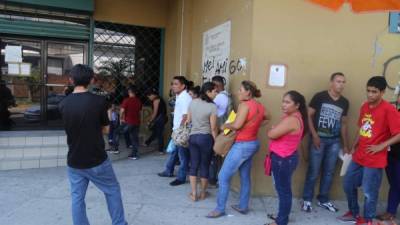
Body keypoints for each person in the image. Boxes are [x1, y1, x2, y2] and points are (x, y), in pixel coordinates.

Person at [58, 64, 127, 225]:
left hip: (74, 161)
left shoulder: (63, 104)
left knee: (77, 199)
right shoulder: (99, 101)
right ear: (91, 80)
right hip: (97, 160)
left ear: (71, 80)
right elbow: (106, 129)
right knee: (112, 191)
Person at [338, 76, 400, 224]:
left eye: (374, 92)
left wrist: (381, 146)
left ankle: (367, 219)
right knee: (348, 183)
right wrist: (353, 147)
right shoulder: (365, 106)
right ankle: (353, 212)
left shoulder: (389, 110)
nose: (370, 94)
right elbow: (362, 129)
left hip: (375, 159)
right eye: (368, 91)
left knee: (369, 191)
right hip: (359, 155)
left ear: (383, 92)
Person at [207, 80, 267, 218]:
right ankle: (243, 206)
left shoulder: (244, 105)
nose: (238, 92)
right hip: (252, 143)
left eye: (240, 90)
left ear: (248, 92)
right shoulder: (259, 105)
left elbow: (238, 125)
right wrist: (254, 126)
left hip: (242, 145)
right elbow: (267, 118)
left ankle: (220, 209)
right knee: (245, 176)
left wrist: (225, 126)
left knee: (222, 176)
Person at [302, 72, 349, 213]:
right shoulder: (320, 96)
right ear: (331, 82)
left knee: (329, 172)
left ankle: (323, 199)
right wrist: (314, 135)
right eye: (338, 81)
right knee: (313, 171)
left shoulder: (344, 102)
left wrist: (345, 144)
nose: (341, 84)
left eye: (343, 82)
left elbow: (344, 124)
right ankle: (307, 199)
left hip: (334, 142)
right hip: (319, 140)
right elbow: (308, 115)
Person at [266, 91, 308, 225]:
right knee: (282, 189)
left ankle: (281, 220)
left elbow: (272, 134)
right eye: (283, 101)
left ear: (297, 105)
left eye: (288, 102)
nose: (283, 105)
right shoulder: (294, 117)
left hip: (283, 159)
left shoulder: (291, 119)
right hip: (286, 158)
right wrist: (276, 130)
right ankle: (281, 215)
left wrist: (273, 130)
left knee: (283, 191)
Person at [186, 82, 218, 201]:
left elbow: (188, 120)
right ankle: (203, 193)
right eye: (214, 91)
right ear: (208, 92)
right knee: (205, 165)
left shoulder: (193, 102)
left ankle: (194, 193)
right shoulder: (212, 107)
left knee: (194, 165)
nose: (216, 94)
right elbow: (213, 127)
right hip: (206, 138)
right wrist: (216, 142)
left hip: (193, 137)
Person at [377, 94, 400, 222]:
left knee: (397, 184)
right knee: (395, 184)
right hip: (391, 154)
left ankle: (391, 211)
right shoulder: (394, 110)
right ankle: (391, 211)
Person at [168, 76, 192, 186]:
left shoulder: (185, 97)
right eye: (173, 84)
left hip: (180, 131)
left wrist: (179, 131)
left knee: (183, 156)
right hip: (176, 129)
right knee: (175, 152)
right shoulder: (179, 96)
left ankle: (181, 177)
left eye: (176, 84)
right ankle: (168, 170)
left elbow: (185, 116)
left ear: (183, 86)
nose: (173, 86)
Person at [209, 75, 232, 187]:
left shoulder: (219, 97)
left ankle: (213, 178)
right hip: (224, 128)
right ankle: (217, 178)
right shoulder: (227, 96)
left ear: (217, 86)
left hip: (218, 128)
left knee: (215, 154)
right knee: (219, 154)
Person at [120, 86, 143, 159]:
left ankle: (115, 148)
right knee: (134, 138)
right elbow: (140, 112)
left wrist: (121, 118)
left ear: (129, 92)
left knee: (116, 133)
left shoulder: (126, 100)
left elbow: (122, 111)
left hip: (128, 122)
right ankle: (135, 154)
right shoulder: (138, 101)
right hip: (136, 122)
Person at [145, 89, 167, 154]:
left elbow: (155, 113)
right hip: (162, 118)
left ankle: (161, 149)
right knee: (156, 132)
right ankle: (147, 142)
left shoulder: (156, 100)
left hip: (159, 119)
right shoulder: (160, 99)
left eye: (149, 97)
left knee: (159, 134)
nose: (149, 98)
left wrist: (150, 121)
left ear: (152, 95)